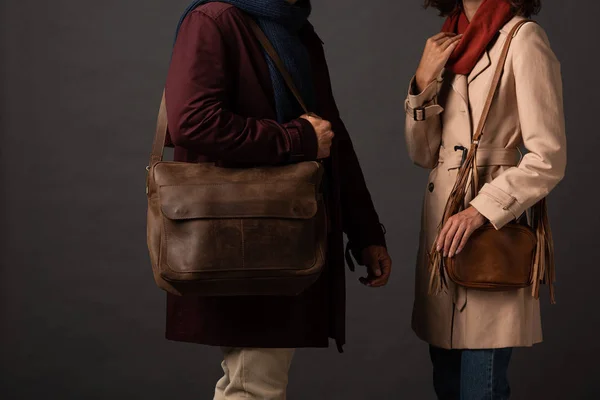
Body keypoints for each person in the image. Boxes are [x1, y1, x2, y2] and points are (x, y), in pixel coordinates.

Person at [163, 1, 392, 398]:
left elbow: (331, 136)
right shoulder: (214, 21)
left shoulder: (296, 29)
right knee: (253, 385)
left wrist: (365, 231)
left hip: (289, 230)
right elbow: (192, 122)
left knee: (255, 383)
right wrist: (296, 139)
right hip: (243, 236)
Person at [404, 0, 566, 398]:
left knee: (481, 389)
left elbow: (548, 158)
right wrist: (423, 82)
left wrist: (481, 210)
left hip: (488, 235)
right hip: (442, 240)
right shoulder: (448, 40)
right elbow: (424, 155)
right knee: (447, 386)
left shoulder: (523, 39)